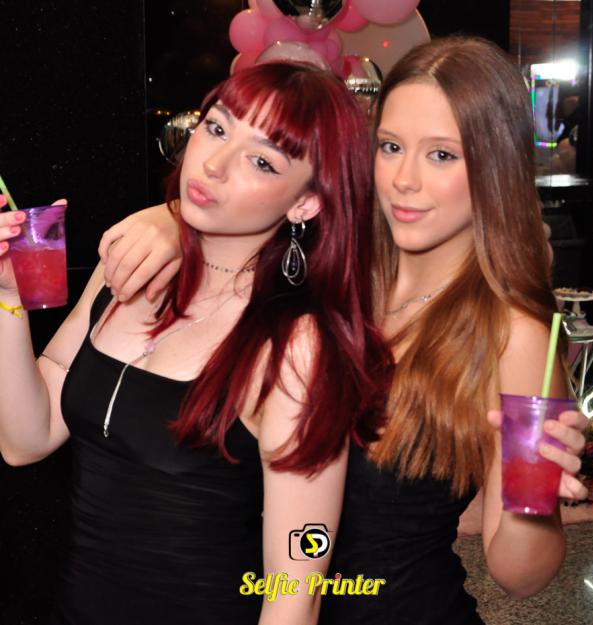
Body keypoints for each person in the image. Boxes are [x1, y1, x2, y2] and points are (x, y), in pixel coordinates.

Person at [51, 38, 590, 624]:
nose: (404, 180)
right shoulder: (328, 263)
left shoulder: (513, 336)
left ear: (494, 168)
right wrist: (167, 218)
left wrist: (533, 499)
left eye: (442, 155)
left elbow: (519, 577)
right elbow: (247, 199)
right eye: (390, 146)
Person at [0, 62, 390, 625]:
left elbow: (296, 592)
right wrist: (7, 299)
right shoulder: (125, 270)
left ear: (305, 203)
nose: (214, 163)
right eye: (217, 127)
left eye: (262, 161)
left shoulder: (297, 348)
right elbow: (26, 438)